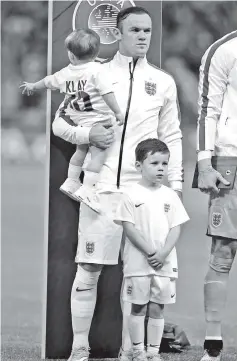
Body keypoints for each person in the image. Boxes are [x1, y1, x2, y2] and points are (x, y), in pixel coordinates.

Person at [52, 6, 184, 361]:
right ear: (119, 33)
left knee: (139, 277)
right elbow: (59, 124)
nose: (144, 36)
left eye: (148, 30)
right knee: (90, 267)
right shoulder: (93, 76)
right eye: (136, 30)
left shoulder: (163, 82)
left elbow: (171, 136)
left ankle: (133, 351)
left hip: (144, 195)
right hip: (101, 189)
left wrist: (176, 186)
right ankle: (80, 347)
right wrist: (86, 132)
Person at [20, 28, 124, 212]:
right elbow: (107, 93)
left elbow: (47, 82)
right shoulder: (96, 71)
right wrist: (117, 112)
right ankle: (87, 189)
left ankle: (71, 181)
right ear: (96, 53)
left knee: (81, 150)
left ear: (71, 55)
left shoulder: (65, 73)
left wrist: (32, 86)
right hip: (97, 120)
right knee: (98, 154)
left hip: (78, 120)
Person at [114, 138, 189, 361]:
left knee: (157, 308)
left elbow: (176, 226)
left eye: (164, 164)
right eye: (154, 163)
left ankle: (153, 353)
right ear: (139, 166)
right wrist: (150, 252)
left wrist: (163, 253)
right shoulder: (130, 195)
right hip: (138, 263)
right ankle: (137, 351)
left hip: (164, 263)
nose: (161, 168)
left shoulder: (171, 196)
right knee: (138, 307)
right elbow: (129, 227)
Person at [196, 30, 237, 361]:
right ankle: (213, 342)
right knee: (224, 250)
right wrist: (204, 163)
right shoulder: (223, 50)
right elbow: (207, 109)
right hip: (230, 159)